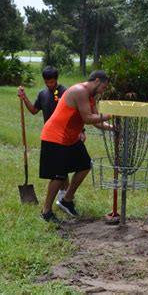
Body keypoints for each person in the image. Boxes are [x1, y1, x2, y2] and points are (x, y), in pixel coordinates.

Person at [39, 70, 113, 223]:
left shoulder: (91, 97)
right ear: (97, 80)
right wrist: (113, 114)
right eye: (104, 87)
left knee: (85, 165)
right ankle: (46, 212)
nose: (103, 90)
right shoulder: (79, 91)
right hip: (55, 136)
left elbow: (97, 121)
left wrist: (112, 127)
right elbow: (87, 118)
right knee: (58, 176)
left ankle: (67, 200)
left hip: (71, 138)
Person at [17, 66, 76, 202]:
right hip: (50, 136)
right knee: (56, 169)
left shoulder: (66, 93)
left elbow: (75, 114)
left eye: (52, 82)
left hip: (65, 135)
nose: (50, 85)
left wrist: (81, 132)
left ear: (57, 79)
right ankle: (63, 195)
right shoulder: (42, 94)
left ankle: (65, 196)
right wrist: (24, 97)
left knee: (63, 168)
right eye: (47, 82)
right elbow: (33, 110)